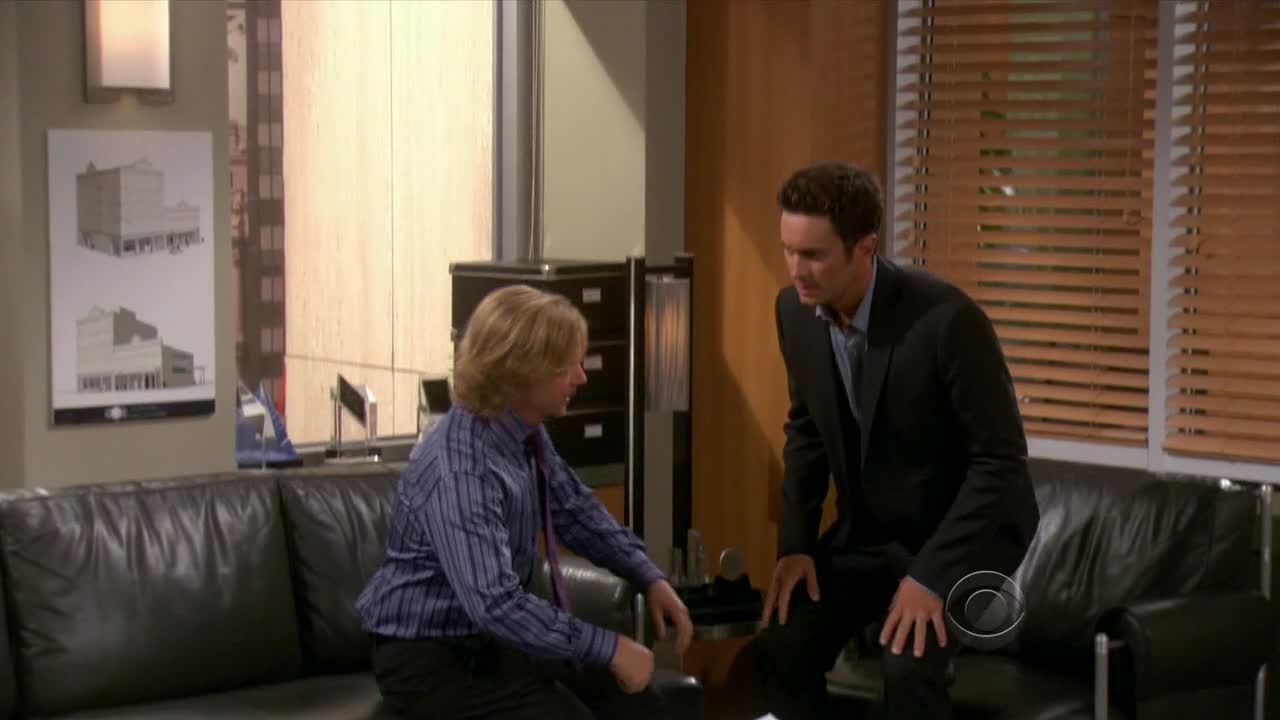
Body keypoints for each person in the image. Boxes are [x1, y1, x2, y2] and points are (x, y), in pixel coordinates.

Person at [751, 161, 1040, 719]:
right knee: (782, 643)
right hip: (869, 533)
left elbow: (1000, 464)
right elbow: (807, 428)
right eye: (788, 250)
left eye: (813, 255)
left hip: (965, 535)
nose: (796, 270)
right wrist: (796, 544)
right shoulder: (794, 311)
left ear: (865, 247)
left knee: (908, 663)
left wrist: (930, 577)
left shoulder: (948, 322)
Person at [356, 284, 693, 719]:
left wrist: (648, 575)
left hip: (495, 642)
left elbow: (574, 510)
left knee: (643, 706)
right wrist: (609, 647)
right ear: (519, 372)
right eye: (566, 367)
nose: (581, 377)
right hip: (432, 657)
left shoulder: (523, 432)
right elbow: (495, 605)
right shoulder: (461, 469)